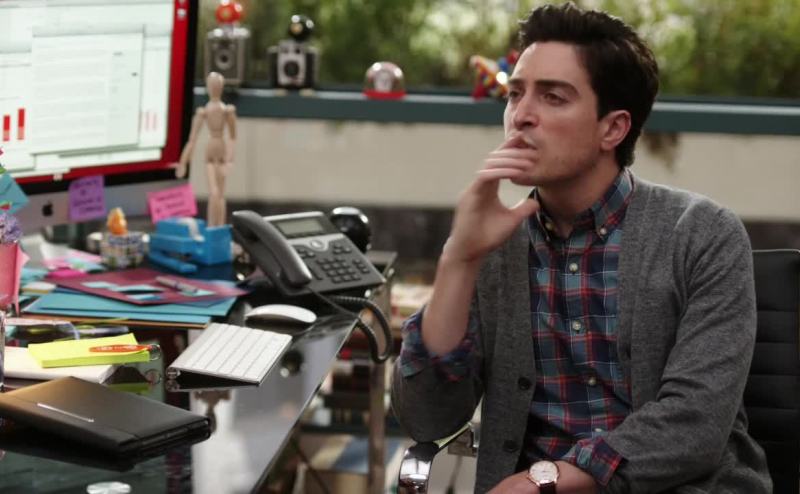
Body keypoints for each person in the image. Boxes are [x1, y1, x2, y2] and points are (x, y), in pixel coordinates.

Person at [391, 3, 772, 493]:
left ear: (613, 128)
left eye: (553, 97)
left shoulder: (702, 234)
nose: (521, 116)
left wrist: (545, 481)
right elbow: (426, 419)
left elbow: (695, 425)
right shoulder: (495, 244)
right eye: (515, 94)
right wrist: (458, 260)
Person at [175, 71, 237, 227]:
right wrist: (183, 162)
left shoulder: (227, 111)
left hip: (221, 151)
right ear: (208, 87)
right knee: (214, 193)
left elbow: (233, 137)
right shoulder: (204, 112)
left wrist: (230, 160)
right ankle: (211, 227)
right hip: (211, 150)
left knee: (220, 195)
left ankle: (220, 226)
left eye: (217, 85)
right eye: (212, 85)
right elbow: (192, 139)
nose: (214, 88)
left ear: (221, 87)